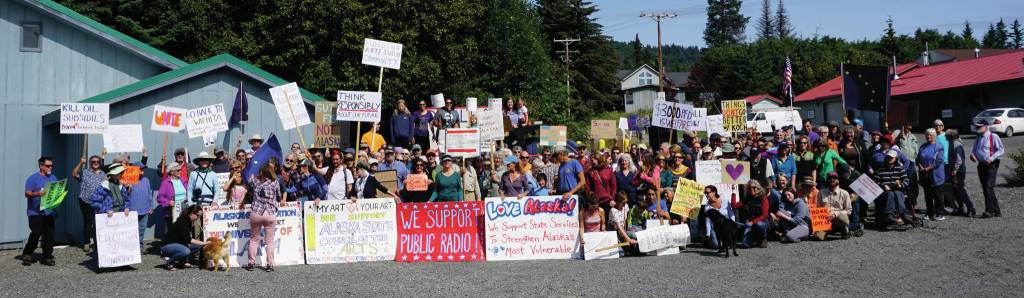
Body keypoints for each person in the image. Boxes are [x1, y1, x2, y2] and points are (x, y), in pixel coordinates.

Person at [246, 163, 284, 272]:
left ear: (261, 172)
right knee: (270, 241)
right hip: (270, 213)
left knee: (254, 239)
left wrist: (253, 175)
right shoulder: (275, 183)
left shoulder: (255, 181)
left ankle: (251, 263)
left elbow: (248, 180)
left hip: (256, 213)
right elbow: (279, 196)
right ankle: (270, 264)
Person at [21, 156, 58, 266]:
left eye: (51, 165)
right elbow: (27, 194)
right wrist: (37, 193)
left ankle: (47, 256)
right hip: (35, 212)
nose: (50, 167)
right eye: (48, 165)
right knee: (36, 232)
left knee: (49, 235)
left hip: (49, 211)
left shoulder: (53, 177)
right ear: (41, 166)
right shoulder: (33, 178)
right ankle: (27, 253)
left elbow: (55, 191)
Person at [873, 150, 915, 230]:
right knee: (890, 194)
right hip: (884, 192)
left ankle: (903, 214)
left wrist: (900, 184)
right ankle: (890, 215)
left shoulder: (900, 169)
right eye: (888, 157)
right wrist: (883, 185)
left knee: (897, 193)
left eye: (891, 157)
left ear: (895, 159)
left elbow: (906, 180)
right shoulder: (881, 169)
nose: (889, 159)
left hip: (898, 190)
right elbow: (875, 182)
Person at [72, 154, 105, 253]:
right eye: (93, 161)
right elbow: (74, 174)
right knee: (88, 222)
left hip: (99, 202)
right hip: (85, 201)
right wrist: (81, 163)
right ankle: (86, 242)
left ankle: (98, 242)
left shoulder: (103, 174)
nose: (95, 163)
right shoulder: (84, 172)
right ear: (90, 163)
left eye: (97, 161)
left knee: (98, 223)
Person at [970, 120, 1004, 218]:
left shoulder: (993, 136)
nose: (977, 128)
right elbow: (974, 150)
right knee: (986, 188)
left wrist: (991, 158)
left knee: (989, 186)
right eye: (976, 126)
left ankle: (990, 211)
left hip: (992, 164)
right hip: (981, 164)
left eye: (979, 126)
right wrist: (973, 155)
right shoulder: (977, 137)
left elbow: (1001, 149)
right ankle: (997, 211)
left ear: (986, 127)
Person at [159, 205, 206, 271]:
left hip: (177, 244)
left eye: (200, 216)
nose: (198, 218)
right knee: (186, 251)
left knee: (198, 246)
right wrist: (204, 243)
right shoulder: (182, 222)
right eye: (198, 215)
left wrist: (202, 244)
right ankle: (169, 262)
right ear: (192, 213)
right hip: (166, 246)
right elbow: (188, 239)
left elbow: (186, 240)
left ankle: (182, 262)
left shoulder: (188, 221)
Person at [945, 129, 975, 217]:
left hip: (958, 171)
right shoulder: (952, 143)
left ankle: (971, 208)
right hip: (954, 170)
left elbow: (959, 160)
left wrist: (955, 170)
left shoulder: (956, 144)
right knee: (956, 190)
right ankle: (961, 208)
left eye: (947, 136)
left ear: (951, 137)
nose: (945, 137)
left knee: (961, 190)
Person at [917, 128, 946, 221]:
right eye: (927, 135)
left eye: (931, 135)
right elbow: (918, 159)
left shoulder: (939, 147)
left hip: (936, 175)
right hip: (925, 175)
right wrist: (920, 166)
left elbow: (939, 161)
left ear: (935, 136)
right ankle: (930, 213)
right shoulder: (922, 146)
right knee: (928, 195)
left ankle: (940, 213)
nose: (929, 137)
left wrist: (927, 168)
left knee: (937, 195)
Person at [125, 162, 154, 250]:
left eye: (142, 170)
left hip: (145, 209)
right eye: (140, 170)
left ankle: (139, 246)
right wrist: (127, 187)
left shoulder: (146, 180)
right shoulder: (128, 180)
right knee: (131, 229)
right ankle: (131, 247)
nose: (142, 172)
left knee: (141, 229)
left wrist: (151, 206)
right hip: (132, 209)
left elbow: (149, 194)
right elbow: (124, 195)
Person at [815, 173, 852, 240]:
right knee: (818, 237)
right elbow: (818, 209)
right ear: (827, 180)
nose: (832, 179)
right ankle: (829, 231)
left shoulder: (845, 193)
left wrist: (835, 214)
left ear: (838, 180)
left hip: (839, 219)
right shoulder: (821, 192)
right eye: (830, 178)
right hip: (826, 220)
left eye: (834, 178)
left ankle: (844, 230)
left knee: (841, 216)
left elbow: (849, 210)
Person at [157, 163, 187, 240]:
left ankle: (182, 249)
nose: (180, 171)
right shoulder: (166, 183)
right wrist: (168, 202)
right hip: (171, 214)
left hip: (183, 212)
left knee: (182, 232)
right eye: (178, 170)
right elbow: (159, 197)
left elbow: (187, 192)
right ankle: (170, 249)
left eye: (180, 170)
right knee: (171, 234)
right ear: (172, 172)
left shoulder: (182, 181)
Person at [737, 180, 770, 248]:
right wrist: (733, 192)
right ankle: (754, 238)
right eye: (749, 187)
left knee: (759, 224)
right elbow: (734, 205)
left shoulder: (763, 198)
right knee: (745, 244)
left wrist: (753, 222)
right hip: (750, 223)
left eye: (754, 187)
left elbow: (764, 215)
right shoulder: (747, 199)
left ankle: (763, 238)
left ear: (758, 188)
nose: (752, 189)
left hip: (762, 222)